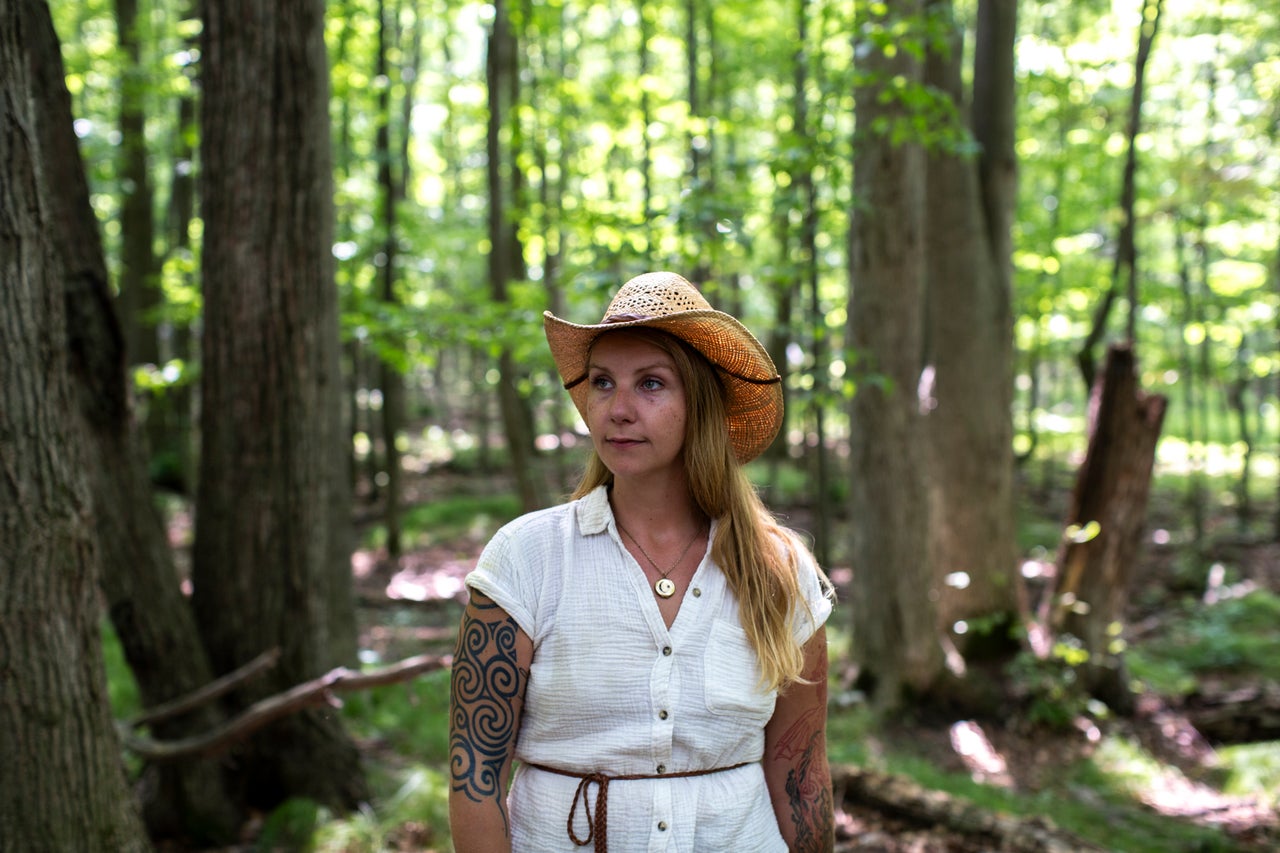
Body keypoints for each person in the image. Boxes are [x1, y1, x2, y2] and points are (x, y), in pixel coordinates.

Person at [448, 271, 835, 852]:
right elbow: (473, 774)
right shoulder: (528, 557)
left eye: (650, 384)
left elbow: (802, 779)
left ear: (700, 403)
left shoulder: (780, 571)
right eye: (603, 383)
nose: (618, 409)